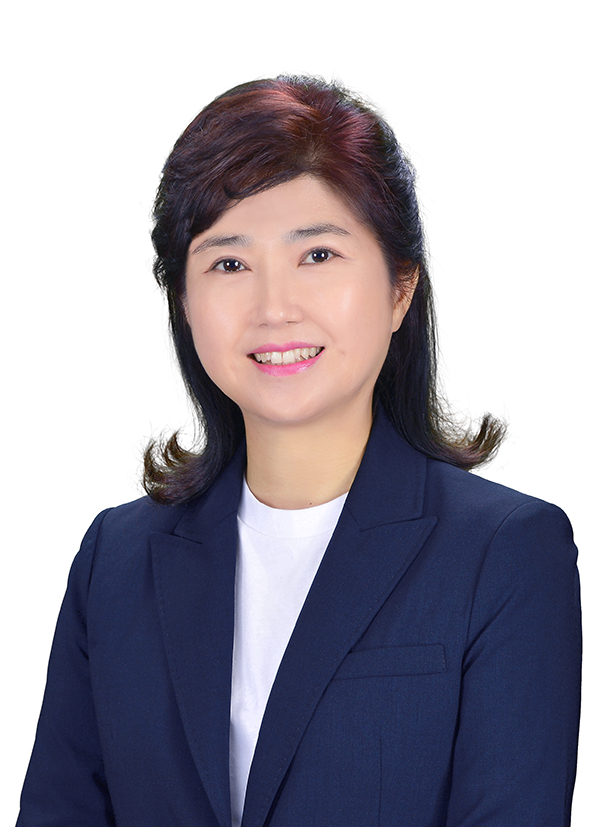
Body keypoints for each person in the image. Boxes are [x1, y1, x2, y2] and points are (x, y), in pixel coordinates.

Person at [17, 76, 581, 827]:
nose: (274, 307)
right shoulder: (114, 560)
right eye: (228, 263)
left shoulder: (505, 554)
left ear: (400, 289)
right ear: (183, 302)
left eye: (317, 254)